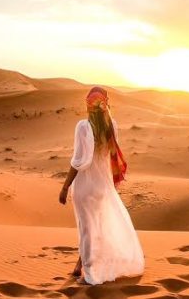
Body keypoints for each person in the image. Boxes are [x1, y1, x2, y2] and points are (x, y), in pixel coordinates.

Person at [58, 86, 144, 285]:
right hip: (102, 187)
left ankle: (90, 274)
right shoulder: (111, 126)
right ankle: (79, 265)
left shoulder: (83, 127)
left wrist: (64, 187)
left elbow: (78, 161)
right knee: (95, 227)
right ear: (106, 103)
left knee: (86, 228)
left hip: (84, 186)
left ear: (88, 105)